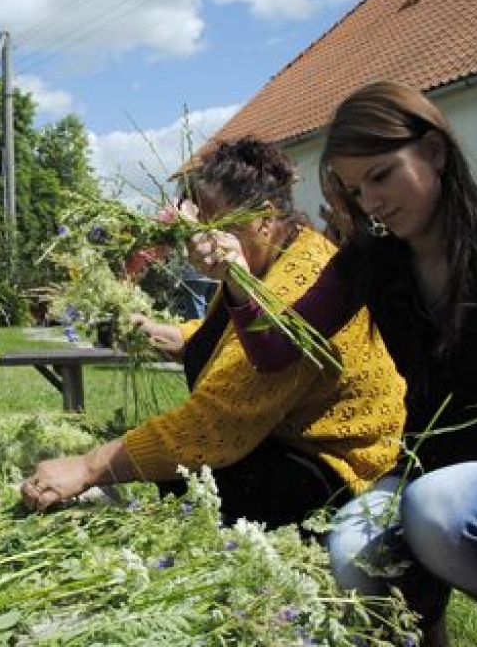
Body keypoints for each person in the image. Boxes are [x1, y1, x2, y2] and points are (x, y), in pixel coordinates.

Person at [196, 82, 477, 646]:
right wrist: (238, 277)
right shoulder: (371, 263)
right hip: (429, 466)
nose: (373, 201)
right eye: (357, 189)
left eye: (383, 175)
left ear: (435, 152)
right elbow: (276, 350)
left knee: (440, 510)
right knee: (352, 552)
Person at [21, 137, 407, 530]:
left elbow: (218, 417)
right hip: (283, 440)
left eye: (216, 223)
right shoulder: (263, 262)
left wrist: (89, 466)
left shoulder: (299, 276)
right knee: (178, 478)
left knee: (188, 482)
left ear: (265, 217)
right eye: (197, 223)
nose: (200, 239)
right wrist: (165, 334)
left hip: (337, 462)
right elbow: (229, 337)